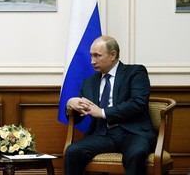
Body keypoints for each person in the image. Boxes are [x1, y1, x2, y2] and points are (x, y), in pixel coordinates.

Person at [64, 36, 157, 175]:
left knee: (136, 154)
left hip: (133, 133)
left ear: (113, 54)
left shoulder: (135, 72)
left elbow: (138, 104)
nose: (92, 61)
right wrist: (70, 104)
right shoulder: (89, 82)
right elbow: (78, 118)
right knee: (73, 151)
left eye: (97, 56)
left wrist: (102, 112)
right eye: (91, 56)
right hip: (102, 135)